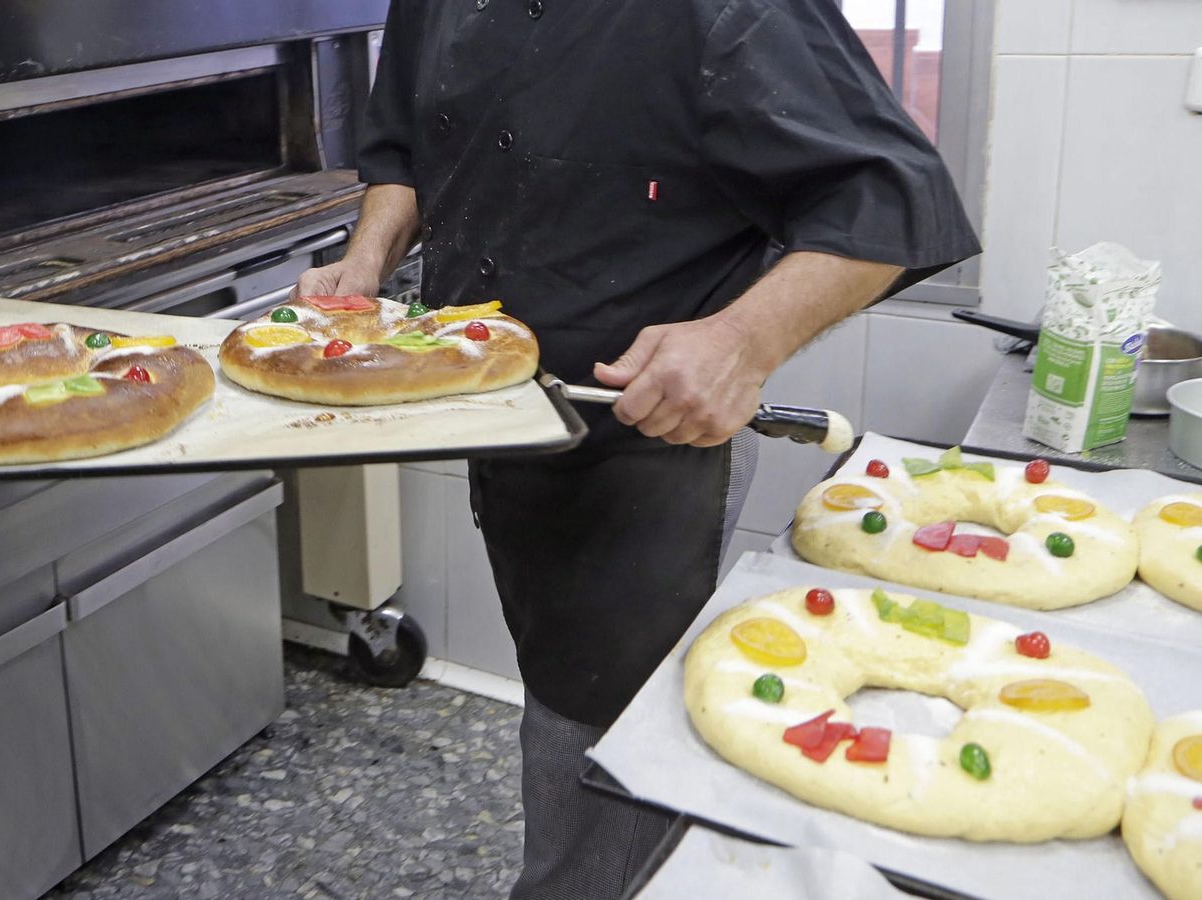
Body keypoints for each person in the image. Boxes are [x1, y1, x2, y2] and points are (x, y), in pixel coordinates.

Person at [293, 1, 980, 896]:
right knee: (555, 691)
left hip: (648, 444)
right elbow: (405, 153)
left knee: (599, 733)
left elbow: (892, 196)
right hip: (502, 414)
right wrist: (366, 263)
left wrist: (742, 342)